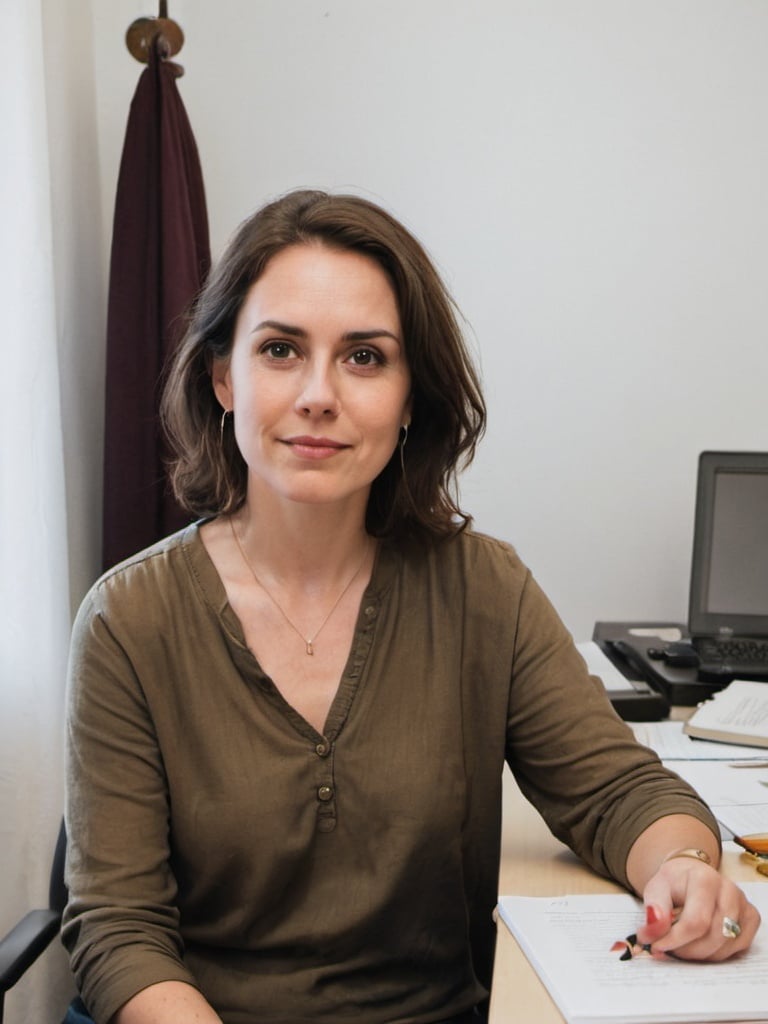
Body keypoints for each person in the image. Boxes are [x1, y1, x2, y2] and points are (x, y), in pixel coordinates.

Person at [63, 189, 760, 1024]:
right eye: (281, 349)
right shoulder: (127, 620)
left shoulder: (484, 591)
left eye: (364, 358)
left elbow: (617, 794)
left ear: (409, 399)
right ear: (223, 377)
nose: (320, 394)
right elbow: (119, 929)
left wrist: (684, 866)